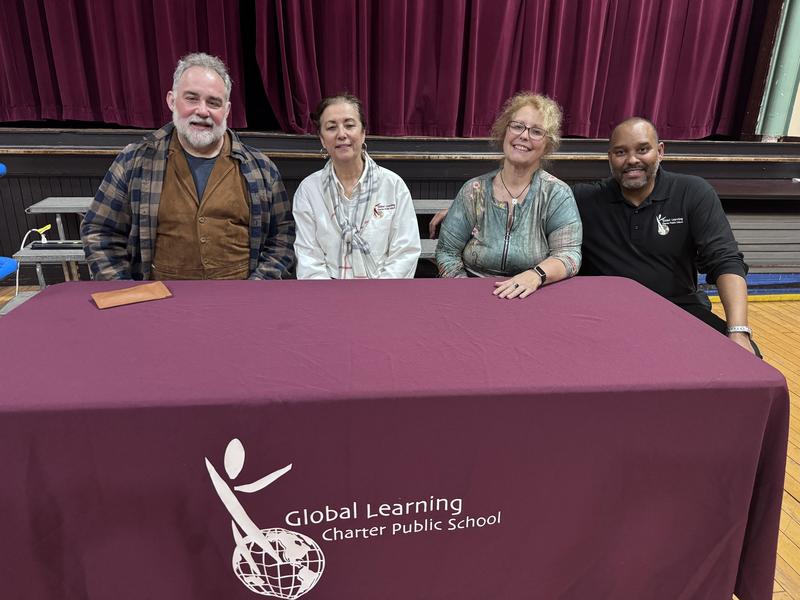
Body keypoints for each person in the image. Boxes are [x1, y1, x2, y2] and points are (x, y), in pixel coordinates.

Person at [81, 52, 294, 280]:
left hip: (241, 296)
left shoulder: (262, 169)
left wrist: (257, 286)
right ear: (172, 101)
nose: (202, 111)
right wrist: (125, 291)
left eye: (213, 102)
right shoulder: (134, 161)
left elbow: (282, 239)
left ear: (227, 110)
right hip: (159, 297)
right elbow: (99, 233)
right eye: (191, 99)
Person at [573, 117, 758, 355]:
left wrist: (738, 331)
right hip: (605, 319)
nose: (632, 160)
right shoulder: (583, 199)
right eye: (621, 152)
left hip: (678, 311)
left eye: (642, 149)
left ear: (660, 151)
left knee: (746, 362)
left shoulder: (692, 192)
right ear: (610, 158)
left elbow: (725, 260)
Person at [434, 92, 582, 298]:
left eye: (536, 131)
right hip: (472, 292)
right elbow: (447, 252)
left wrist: (536, 275)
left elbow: (569, 256)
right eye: (517, 126)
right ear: (505, 131)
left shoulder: (557, 194)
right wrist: (466, 292)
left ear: (547, 145)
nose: (524, 136)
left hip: (533, 293)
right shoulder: (473, 191)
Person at [292, 93, 420, 279]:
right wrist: (329, 295)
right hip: (326, 291)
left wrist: (380, 292)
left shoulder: (392, 185)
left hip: (385, 289)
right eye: (331, 127)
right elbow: (308, 258)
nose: (341, 134)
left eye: (349, 125)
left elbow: (405, 252)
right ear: (322, 139)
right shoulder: (309, 190)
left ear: (363, 132)